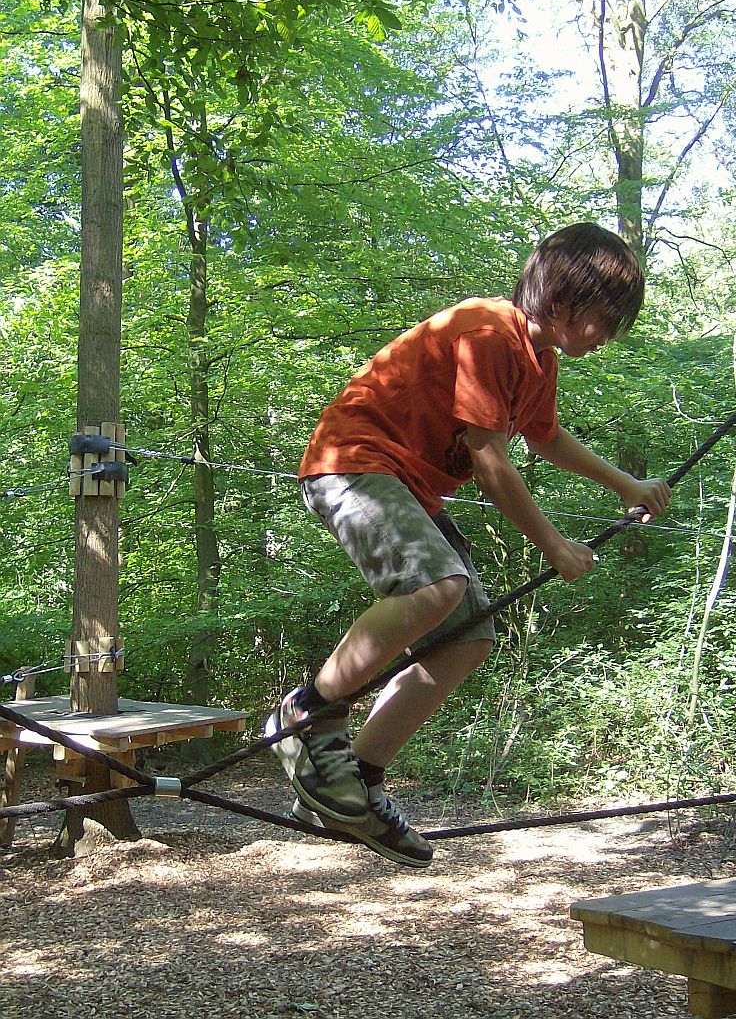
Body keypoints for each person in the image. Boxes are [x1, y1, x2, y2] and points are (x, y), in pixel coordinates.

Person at [265, 221, 672, 868]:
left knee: (469, 636)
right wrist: (552, 545)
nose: (605, 336)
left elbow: (545, 438)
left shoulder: (536, 361)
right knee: (437, 588)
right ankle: (306, 713)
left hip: (409, 489)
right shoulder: (487, 329)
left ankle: (359, 787)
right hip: (351, 462)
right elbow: (490, 462)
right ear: (562, 300)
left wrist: (628, 484)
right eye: (602, 318)